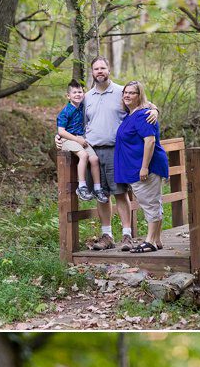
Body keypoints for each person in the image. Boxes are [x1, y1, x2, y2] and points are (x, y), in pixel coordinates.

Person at [65, 56, 156, 251]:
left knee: (121, 193)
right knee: (101, 195)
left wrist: (155, 109)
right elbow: (70, 120)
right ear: (92, 72)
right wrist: (62, 138)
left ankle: (127, 236)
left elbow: (143, 104)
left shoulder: (121, 92)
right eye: (96, 68)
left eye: (103, 68)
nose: (100, 71)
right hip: (93, 153)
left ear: (109, 70)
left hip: (117, 151)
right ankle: (107, 235)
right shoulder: (86, 97)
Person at [115, 81, 170, 253]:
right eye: (125, 92)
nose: (127, 95)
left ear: (140, 96)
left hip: (147, 167)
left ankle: (150, 241)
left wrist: (144, 167)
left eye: (132, 93)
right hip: (135, 167)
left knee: (149, 203)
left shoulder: (142, 115)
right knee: (153, 201)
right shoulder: (132, 114)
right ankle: (157, 239)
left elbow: (150, 141)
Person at [55, 80, 108, 204]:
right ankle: (82, 186)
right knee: (83, 155)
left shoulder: (83, 107)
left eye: (80, 92)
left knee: (94, 159)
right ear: (68, 96)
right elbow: (61, 131)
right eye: (74, 92)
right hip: (68, 139)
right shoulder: (66, 111)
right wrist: (77, 139)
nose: (78, 94)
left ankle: (97, 188)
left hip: (81, 138)